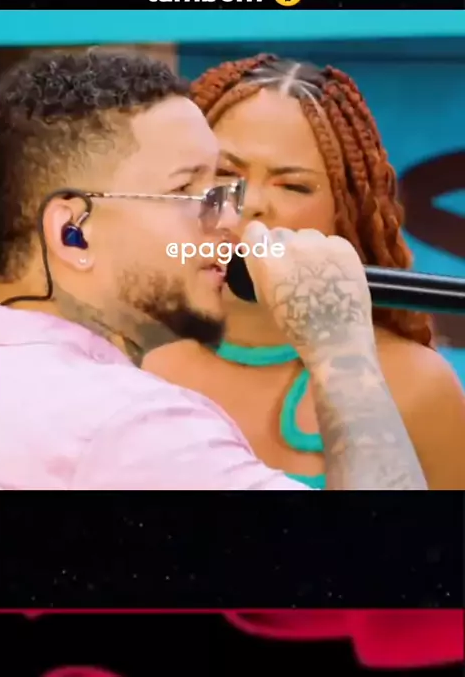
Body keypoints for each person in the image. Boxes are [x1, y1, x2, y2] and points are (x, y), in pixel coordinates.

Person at [0, 48, 427, 490]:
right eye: (185, 190)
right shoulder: (137, 428)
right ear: (73, 232)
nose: (231, 217)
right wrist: (341, 348)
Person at [143, 54, 465, 489]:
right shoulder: (130, 361)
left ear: (345, 211)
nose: (252, 203)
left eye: (293, 186)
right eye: (224, 173)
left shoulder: (417, 385)